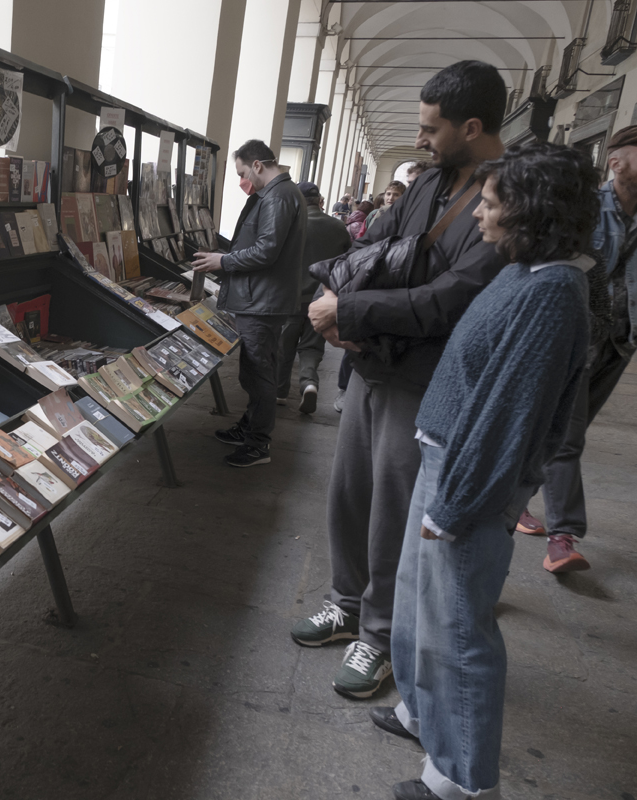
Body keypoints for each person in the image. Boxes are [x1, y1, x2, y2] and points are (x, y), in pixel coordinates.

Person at [377, 141, 596, 800]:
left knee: (457, 630)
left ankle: (462, 781)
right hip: (447, 460)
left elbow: (508, 415)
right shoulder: (526, 270)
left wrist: (454, 505)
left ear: (531, 211)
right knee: (417, 604)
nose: (478, 214)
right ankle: (425, 715)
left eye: (492, 204)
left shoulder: (552, 292)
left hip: (467, 477)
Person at [293, 60, 508, 699]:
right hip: (373, 359)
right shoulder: (430, 181)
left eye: (431, 129)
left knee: (394, 507)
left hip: (426, 377)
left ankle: (381, 634)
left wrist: (352, 310)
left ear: (472, 127)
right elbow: (372, 242)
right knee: (349, 491)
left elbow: (455, 296)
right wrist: (333, 295)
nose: (420, 139)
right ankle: (346, 602)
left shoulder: (506, 196)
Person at [513, 124, 637, 573]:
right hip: (575, 339)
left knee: (558, 433)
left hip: (620, 342)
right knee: (568, 436)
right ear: (617, 161)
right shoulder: (584, 207)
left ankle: (517, 500)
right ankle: (563, 537)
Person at [192, 139, 307, 467]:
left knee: (259, 372)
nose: (243, 180)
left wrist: (223, 261)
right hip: (261, 298)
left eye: (243, 173)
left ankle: (258, 444)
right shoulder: (275, 194)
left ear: (257, 165)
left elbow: (267, 250)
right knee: (255, 369)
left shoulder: (278, 196)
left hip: (262, 300)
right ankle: (250, 427)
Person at [277, 181, 351, 413]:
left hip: (290, 299)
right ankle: (309, 384)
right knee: (311, 348)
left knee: (284, 347)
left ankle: (280, 392)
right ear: (320, 201)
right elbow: (347, 263)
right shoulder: (338, 227)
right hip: (322, 300)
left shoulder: (289, 225)